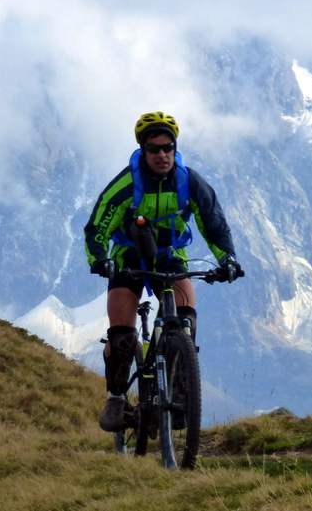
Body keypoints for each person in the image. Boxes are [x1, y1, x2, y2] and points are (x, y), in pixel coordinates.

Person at [83, 111, 242, 432]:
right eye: (154, 149)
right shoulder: (126, 185)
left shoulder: (189, 182)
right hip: (128, 259)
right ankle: (116, 397)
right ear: (143, 150)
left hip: (169, 257)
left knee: (186, 320)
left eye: (168, 147)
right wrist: (99, 259)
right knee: (123, 337)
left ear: (175, 147)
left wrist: (228, 259)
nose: (162, 154)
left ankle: (177, 393)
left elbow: (214, 223)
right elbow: (97, 227)